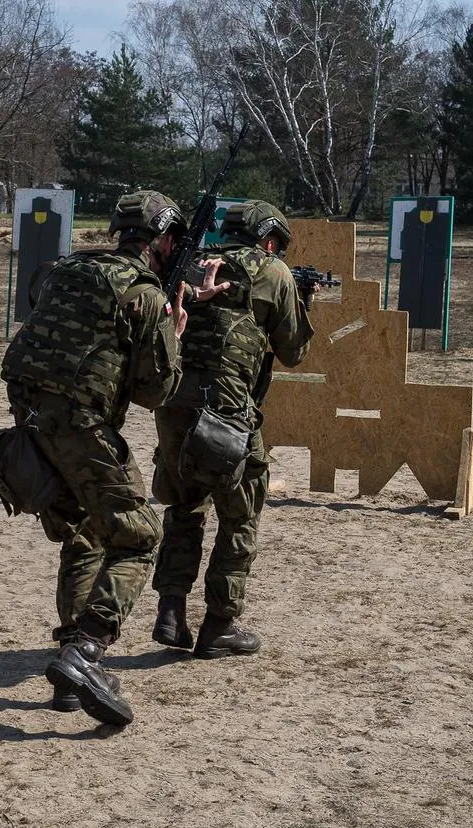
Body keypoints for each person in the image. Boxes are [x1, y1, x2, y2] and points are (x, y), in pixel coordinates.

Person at [1, 190, 227, 726]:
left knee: (84, 534)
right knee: (138, 536)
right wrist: (174, 331)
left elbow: (108, 314)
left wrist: (187, 295)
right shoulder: (147, 295)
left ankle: (67, 668)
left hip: (32, 422)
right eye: (178, 243)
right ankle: (87, 651)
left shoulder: (71, 271)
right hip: (83, 429)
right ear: (164, 239)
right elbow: (156, 391)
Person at [149, 199, 314, 659]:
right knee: (239, 513)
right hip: (226, 411)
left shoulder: (194, 262)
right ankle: (220, 623)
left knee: (184, 506)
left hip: (173, 405)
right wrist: (299, 300)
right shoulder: (272, 272)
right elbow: (294, 350)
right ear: (268, 239)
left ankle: (170, 611)